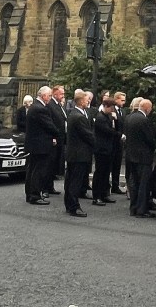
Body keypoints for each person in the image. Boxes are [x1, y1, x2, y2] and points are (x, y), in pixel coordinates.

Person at [24, 86, 60, 205]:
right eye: (49, 95)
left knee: (32, 169)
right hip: (41, 145)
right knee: (38, 171)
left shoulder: (34, 107)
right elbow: (49, 126)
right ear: (43, 96)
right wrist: (59, 133)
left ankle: (30, 194)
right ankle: (35, 195)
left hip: (35, 144)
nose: (50, 98)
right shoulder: (40, 108)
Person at [124, 98, 156, 217]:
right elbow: (150, 139)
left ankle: (133, 207)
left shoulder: (129, 118)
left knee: (134, 184)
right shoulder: (144, 120)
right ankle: (141, 210)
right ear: (147, 108)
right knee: (143, 184)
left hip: (131, 156)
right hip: (143, 157)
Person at [64, 89, 94, 217]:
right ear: (81, 101)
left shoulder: (74, 114)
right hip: (79, 154)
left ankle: (69, 204)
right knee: (75, 182)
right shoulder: (79, 117)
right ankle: (74, 207)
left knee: (71, 180)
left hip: (73, 153)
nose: (88, 102)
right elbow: (88, 135)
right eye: (87, 99)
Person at [92, 98, 118, 205]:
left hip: (107, 148)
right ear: (106, 106)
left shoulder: (107, 116)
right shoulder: (100, 117)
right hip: (101, 149)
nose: (112, 111)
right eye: (111, 108)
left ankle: (104, 194)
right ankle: (97, 196)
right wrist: (119, 134)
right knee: (100, 173)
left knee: (106, 173)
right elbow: (107, 131)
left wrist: (115, 120)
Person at [49, 85, 68, 182]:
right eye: (61, 94)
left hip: (61, 136)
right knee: (51, 162)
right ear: (55, 94)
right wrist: (53, 137)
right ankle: (46, 187)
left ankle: (51, 185)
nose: (63, 95)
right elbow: (51, 121)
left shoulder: (59, 104)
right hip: (54, 138)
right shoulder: (51, 104)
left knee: (57, 161)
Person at [110, 92, 127, 194]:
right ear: (116, 99)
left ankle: (115, 186)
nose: (123, 102)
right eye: (122, 100)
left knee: (117, 164)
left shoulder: (122, 111)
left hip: (120, 142)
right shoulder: (112, 110)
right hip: (113, 141)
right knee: (111, 164)